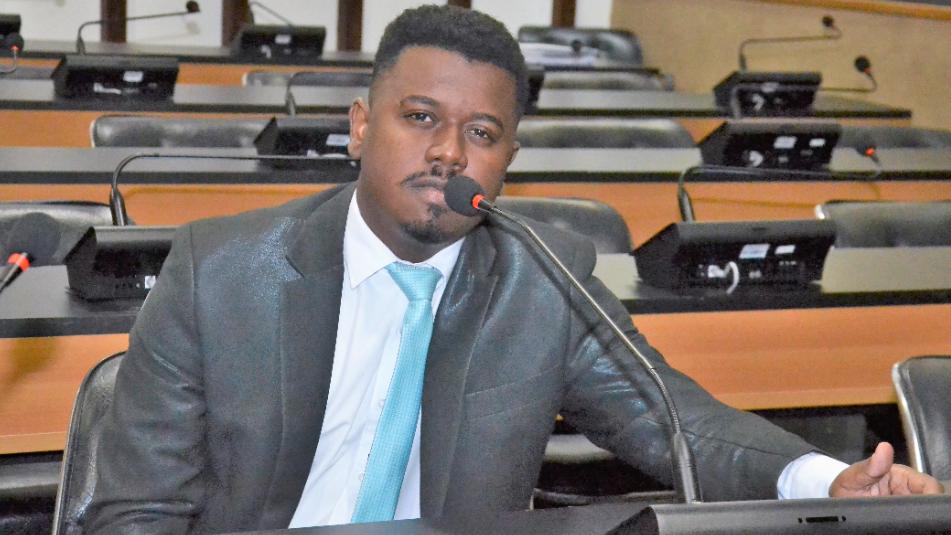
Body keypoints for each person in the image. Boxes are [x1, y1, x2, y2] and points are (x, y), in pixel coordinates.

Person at [85, 5, 942, 533]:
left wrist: (827, 477)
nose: (448, 152)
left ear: (507, 160)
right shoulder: (219, 271)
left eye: (481, 134)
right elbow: (137, 514)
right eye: (420, 117)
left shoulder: (541, 276)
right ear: (359, 125)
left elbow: (676, 422)